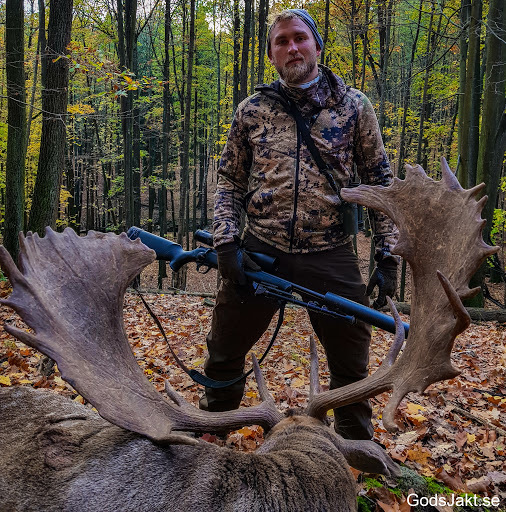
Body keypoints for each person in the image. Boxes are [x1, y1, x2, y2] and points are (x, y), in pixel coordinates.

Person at [199, 9, 399, 441]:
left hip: (330, 252)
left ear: (317, 46)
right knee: (224, 352)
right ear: (272, 55)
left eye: (300, 38)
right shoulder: (252, 109)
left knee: (351, 362)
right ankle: (209, 437)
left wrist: (388, 253)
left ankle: (355, 450)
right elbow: (230, 181)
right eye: (281, 41)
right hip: (260, 248)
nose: (292, 47)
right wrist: (227, 242)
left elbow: (380, 184)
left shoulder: (354, 106)